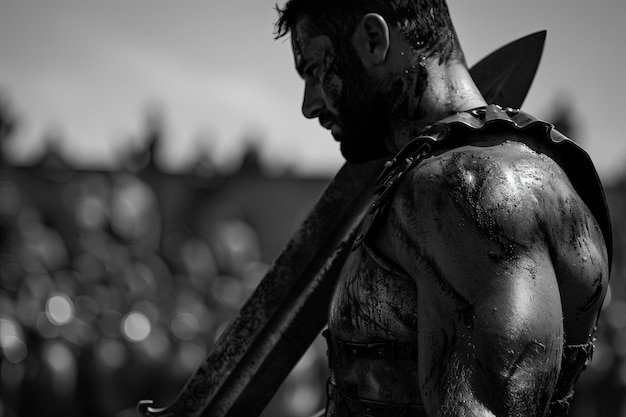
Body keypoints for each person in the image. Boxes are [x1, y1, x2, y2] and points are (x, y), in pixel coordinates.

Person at [274, 1, 612, 416]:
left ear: (373, 40)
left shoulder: (465, 190)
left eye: (314, 70)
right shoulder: (453, 179)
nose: (309, 105)